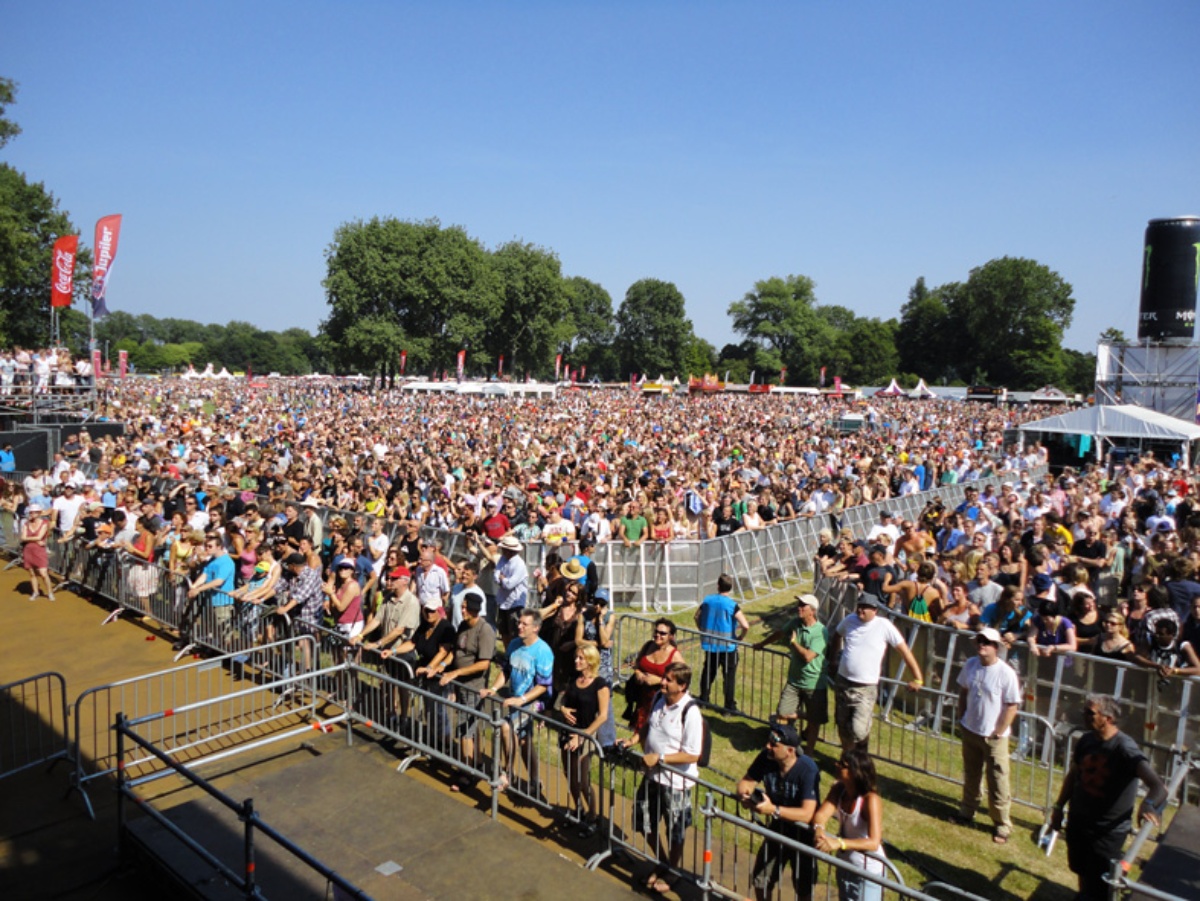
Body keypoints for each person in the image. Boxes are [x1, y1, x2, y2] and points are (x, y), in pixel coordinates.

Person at [1051, 694, 1168, 901]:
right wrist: (1059, 806)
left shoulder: (1125, 748)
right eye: (1084, 711)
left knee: (1102, 883)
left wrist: (1149, 804)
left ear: (1108, 718)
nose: (1084, 716)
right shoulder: (1086, 740)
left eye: (1090, 713)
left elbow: (1158, 786)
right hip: (1079, 821)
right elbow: (1074, 774)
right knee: (1081, 870)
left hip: (1106, 832)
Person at [618, 661, 703, 895]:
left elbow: (693, 753)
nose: (662, 682)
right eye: (664, 678)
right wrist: (633, 740)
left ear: (682, 685)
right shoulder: (658, 698)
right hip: (652, 776)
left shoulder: (690, 712)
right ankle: (663, 862)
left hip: (676, 783)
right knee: (643, 820)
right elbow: (648, 727)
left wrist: (661, 758)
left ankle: (673, 871)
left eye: (668, 680)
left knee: (674, 829)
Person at [735, 723, 820, 901]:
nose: (768, 746)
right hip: (777, 829)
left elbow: (807, 814)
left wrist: (773, 809)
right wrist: (747, 797)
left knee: (804, 887)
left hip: (803, 835)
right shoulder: (766, 758)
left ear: (789, 751)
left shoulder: (808, 769)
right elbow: (745, 783)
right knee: (761, 878)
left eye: (774, 744)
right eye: (769, 741)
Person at [953, 627, 1021, 843]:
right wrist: (961, 716)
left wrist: (999, 731)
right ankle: (967, 810)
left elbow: (1012, 706)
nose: (981, 645)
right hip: (970, 729)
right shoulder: (971, 665)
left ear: (996, 647)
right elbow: (963, 690)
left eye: (986, 642)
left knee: (998, 779)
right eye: (979, 641)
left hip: (994, 737)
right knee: (971, 773)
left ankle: (1002, 824)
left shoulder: (1006, 673)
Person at [831, 597, 923, 752]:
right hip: (843, 682)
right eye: (859, 606)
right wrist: (833, 658)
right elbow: (837, 635)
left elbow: (905, 651)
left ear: (875, 610)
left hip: (865, 688)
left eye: (865, 607)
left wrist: (918, 678)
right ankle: (847, 759)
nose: (860, 610)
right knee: (842, 725)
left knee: (859, 730)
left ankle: (860, 757)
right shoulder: (849, 620)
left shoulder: (884, 626)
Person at [480, 608, 554, 797]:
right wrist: (494, 689)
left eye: (524, 624)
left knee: (507, 728)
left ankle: (508, 773)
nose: (519, 626)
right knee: (523, 742)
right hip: (515, 699)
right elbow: (505, 671)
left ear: (536, 628)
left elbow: (543, 686)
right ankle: (535, 781)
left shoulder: (543, 651)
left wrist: (521, 700)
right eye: (519, 623)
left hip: (534, 702)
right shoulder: (513, 644)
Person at [756, 593, 829, 756]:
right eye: (799, 604)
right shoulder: (795, 623)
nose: (799, 608)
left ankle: (808, 753)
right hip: (794, 681)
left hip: (814, 683)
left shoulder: (820, 632)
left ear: (812, 611)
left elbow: (808, 657)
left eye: (803, 606)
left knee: (814, 721)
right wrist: (762, 644)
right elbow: (780, 632)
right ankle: (782, 746)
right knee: (782, 713)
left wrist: (794, 643)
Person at [438, 591, 496, 792]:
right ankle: (474, 762)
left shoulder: (485, 630)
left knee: (465, 730)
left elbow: (484, 664)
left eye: (464, 607)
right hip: (460, 685)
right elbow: (455, 651)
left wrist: (456, 672)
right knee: (468, 727)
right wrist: (444, 665)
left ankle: (467, 771)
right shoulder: (462, 626)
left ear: (473, 609)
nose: (461, 610)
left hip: (474, 688)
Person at [812, 749, 888, 901]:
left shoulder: (870, 800)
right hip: (845, 866)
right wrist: (819, 831)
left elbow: (874, 842)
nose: (836, 765)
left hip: (868, 873)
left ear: (855, 772)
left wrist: (839, 843)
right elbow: (821, 815)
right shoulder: (839, 789)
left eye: (842, 764)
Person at [559, 644, 610, 837]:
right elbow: (563, 700)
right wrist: (563, 709)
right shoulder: (574, 678)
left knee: (582, 779)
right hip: (567, 732)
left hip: (586, 735)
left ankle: (593, 815)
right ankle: (578, 808)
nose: (576, 661)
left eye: (580, 658)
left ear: (590, 660)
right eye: (576, 657)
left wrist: (583, 735)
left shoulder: (600, 684)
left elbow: (603, 716)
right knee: (570, 775)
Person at [694, 573, 750, 713]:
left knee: (708, 672)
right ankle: (728, 707)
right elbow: (745, 625)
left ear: (717, 585)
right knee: (728, 677)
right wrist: (740, 637)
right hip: (728, 647)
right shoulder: (732, 605)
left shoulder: (708, 601)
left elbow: (696, 616)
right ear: (730, 588)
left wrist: (702, 629)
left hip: (711, 645)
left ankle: (704, 699)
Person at [626, 618, 685, 733]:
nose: (658, 635)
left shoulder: (675, 655)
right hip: (643, 698)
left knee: (655, 733)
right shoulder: (648, 646)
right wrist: (638, 673)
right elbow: (637, 663)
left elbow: (683, 679)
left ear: (671, 636)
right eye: (656, 632)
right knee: (640, 732)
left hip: (662, 701)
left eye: (662, 633)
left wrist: (659, 680)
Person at [473, 533, 528, 645]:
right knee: (504, 630)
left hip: (515, 601)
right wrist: (502, 579)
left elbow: (509, 584)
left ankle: (513, 655)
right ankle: (507, 654)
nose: (503, 550)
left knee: (514, 630)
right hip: (503, 600)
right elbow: (496, 575)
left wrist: (502, 579)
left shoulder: (519, 564)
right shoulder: (503, 559)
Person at [20, 503, 54, 601]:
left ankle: (50, 592)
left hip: (39, 551)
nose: (33, 514)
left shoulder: (44, 523)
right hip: (28, 550)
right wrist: (34, 539)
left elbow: (39, 536)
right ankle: (35, 592)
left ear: (39, 513)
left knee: (43, 573)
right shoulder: (26, 524)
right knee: (32, 573)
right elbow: (23, 537)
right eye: (31, 512)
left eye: (35, 512)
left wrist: (28, 538)